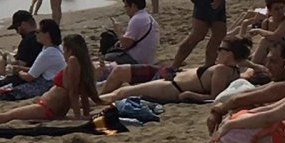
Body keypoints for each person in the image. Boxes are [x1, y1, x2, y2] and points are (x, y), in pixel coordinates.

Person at [0, 35, 102, 129]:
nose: (63, 53)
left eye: (65, 49)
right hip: (46, 108)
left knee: (3, 117)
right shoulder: (82, 65)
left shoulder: (73, 61)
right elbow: (82, 91)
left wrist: (79, 117)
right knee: (3, 116)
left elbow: (74, 92)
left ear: (70, 49)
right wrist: (84, 115)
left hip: (46, 109)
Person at [100, 38, 252, 102]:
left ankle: (90, 102)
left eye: (221, 49)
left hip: (172, 86)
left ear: (230, 54)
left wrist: (191, 94)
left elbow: (214, 96)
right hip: (170, 75)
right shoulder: (233, 71)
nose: (217, 52)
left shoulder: (222, 70)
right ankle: (93, 100)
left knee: (122, 92)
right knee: (120, 74)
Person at [100, 0, 159, 75]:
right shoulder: (147, 17)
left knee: (107, 57)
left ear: (134, 5)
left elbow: (125, 44)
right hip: (147, 57)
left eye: (126, 6)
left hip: (137, 59)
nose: (125, 9)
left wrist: (119, 31)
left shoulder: (136, 19)